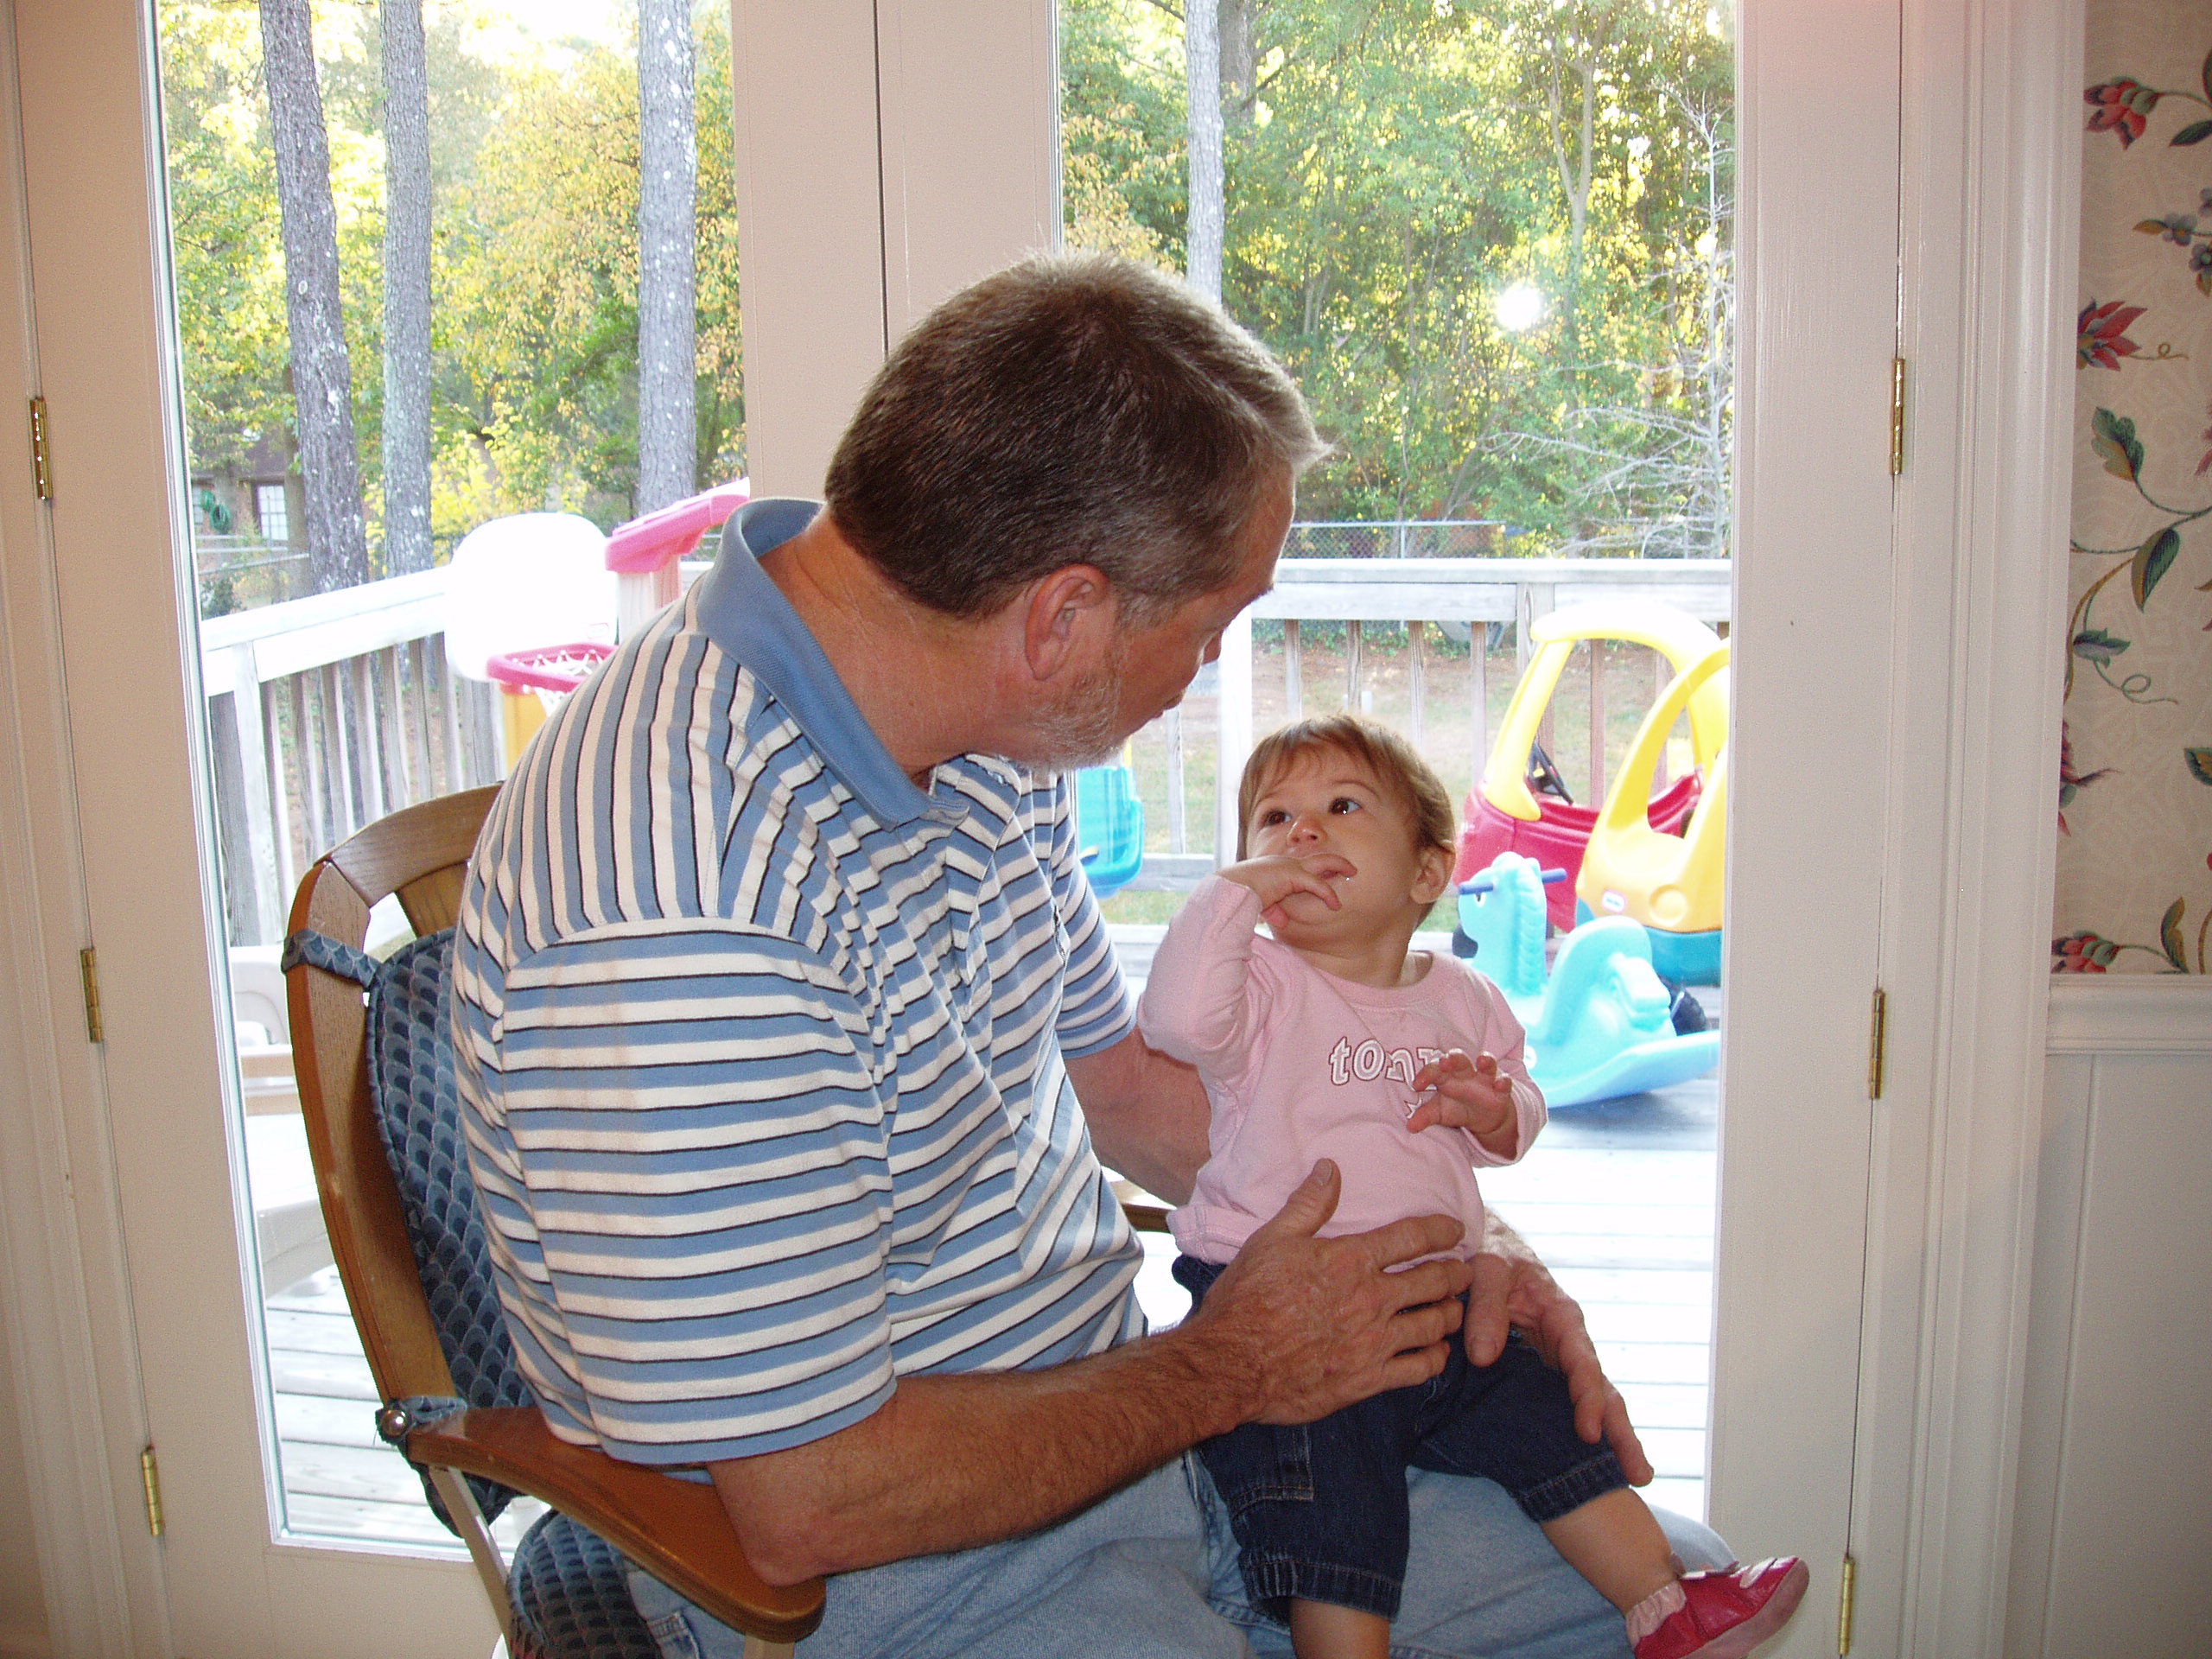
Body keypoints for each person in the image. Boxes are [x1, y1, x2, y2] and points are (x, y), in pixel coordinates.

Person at [451, 251, 1730, 1659]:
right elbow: (808, 1500)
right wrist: (1230, 1369)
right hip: (900, 1571)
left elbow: (1125, 1093)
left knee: (1672, 1595)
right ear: (1062, 621)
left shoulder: (975, 721)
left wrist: (1448, 1241)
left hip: (1148, 1427)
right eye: (1211, 624)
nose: (1210, 666)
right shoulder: (685, 903)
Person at [1141, 715, 1807, 1659]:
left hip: (1443, 1300)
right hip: (1286, 1311)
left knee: (1551, 1427)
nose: (1302, 833)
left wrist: (1496, 1110)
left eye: (1341, 807)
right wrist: (1231, 895)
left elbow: (1520, 1117)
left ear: (1426, 873)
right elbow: (1172, 1021)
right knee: (1339, 1516)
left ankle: (1666, 1607)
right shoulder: (1261, 990)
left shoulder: (1462, 996)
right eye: (1273, 819)